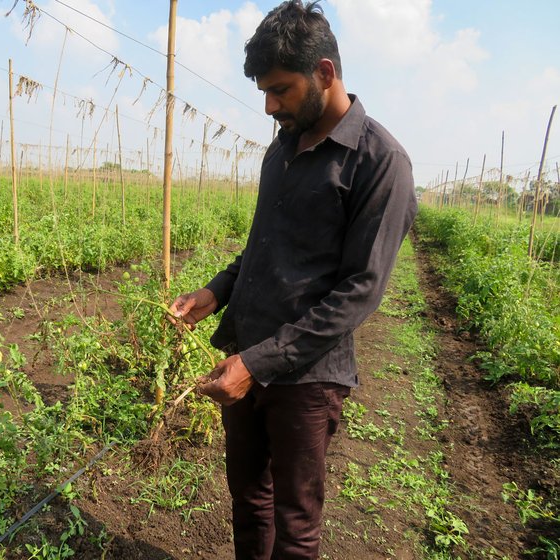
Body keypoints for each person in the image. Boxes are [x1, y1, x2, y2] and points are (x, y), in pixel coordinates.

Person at [168, 1, 418, 558]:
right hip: (247, 353)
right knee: (247, 501)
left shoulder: (380, 162)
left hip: (307, 376)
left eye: (279, 90)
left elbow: (360, 292)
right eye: (264, 90)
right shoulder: (280, 151)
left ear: (324, 73)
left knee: (295, 523)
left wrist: (257, 365)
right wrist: (216, 292)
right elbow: (262, 249)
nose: (268, 105)